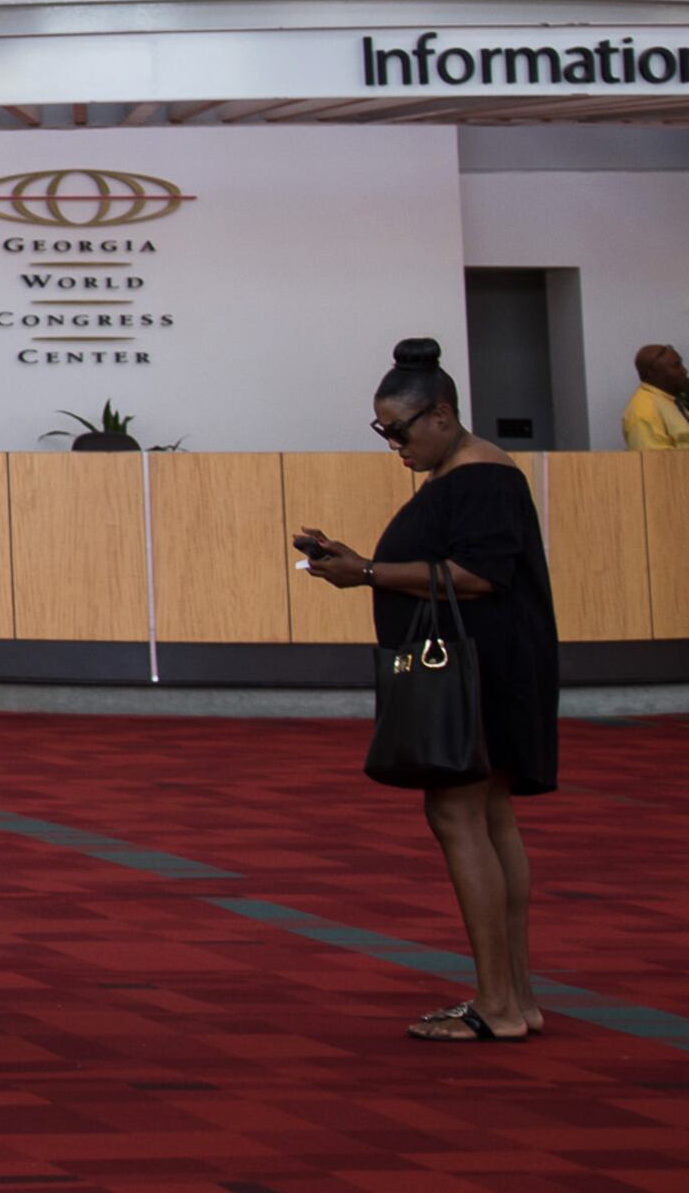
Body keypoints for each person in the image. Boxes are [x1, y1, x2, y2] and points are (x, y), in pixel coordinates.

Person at [294, 336, 560, 1043]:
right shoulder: (472, 475)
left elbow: (480, 575)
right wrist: (359, 564)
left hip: (482, 668)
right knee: (491, 819)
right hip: (493, 662)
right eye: (383, 433)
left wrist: (370, 573)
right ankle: (515, 999)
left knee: (458, 816)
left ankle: (499, 1005)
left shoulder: (481, 477)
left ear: (442, 415)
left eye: (401, 431)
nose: (395, 447)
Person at [621, 344, 689, 451]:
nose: (684, 371)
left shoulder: (669, 401)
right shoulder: (644, 409)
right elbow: (653, 462)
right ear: (653, 373)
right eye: (676, 366)